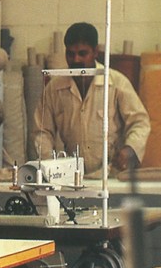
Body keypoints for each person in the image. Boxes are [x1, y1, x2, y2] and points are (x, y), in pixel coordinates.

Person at [30, 22, 150, 175]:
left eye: (83, 53)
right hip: (72, 176)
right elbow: (42, 131)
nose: (76, 60)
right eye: (71, 54)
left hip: (113, 174)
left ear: (95, 51)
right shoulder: (54, 88)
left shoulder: (116, 83)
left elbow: (140, 122)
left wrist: (131, 148)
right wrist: (51, 165)